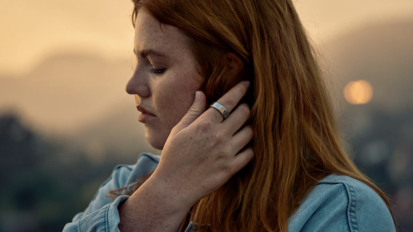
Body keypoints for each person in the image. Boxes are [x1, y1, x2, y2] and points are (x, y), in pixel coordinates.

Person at [63, 0, 398, 231]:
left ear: (226, 76)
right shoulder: (129, 186)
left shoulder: (337, 211)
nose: (132, 85)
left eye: (156, 67)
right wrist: (163, 197)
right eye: (136, 62)